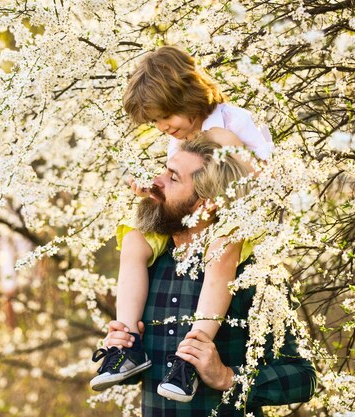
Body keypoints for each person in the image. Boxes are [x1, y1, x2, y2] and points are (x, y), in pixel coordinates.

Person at [90, 45, 274, 403]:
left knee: (222, 252)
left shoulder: (232, 123)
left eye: (165, 117)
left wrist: (223, 149)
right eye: (154, 123)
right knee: (134, 241)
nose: (162, 128)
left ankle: (193, 352)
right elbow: (178, 190)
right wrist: (154, 191)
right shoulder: (178, 142)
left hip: (232, 220)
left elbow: (260, 181)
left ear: (187, 95)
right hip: (192, 222)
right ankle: (127, 342)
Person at [98, 138, 316, 416]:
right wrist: (124, 347)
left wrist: (227, 377)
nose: (156, 182)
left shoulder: (252, 274)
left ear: (205, 203)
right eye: (165, 170)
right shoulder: (145, 267)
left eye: (172, 178)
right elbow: (146, 374)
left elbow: (303, 377)